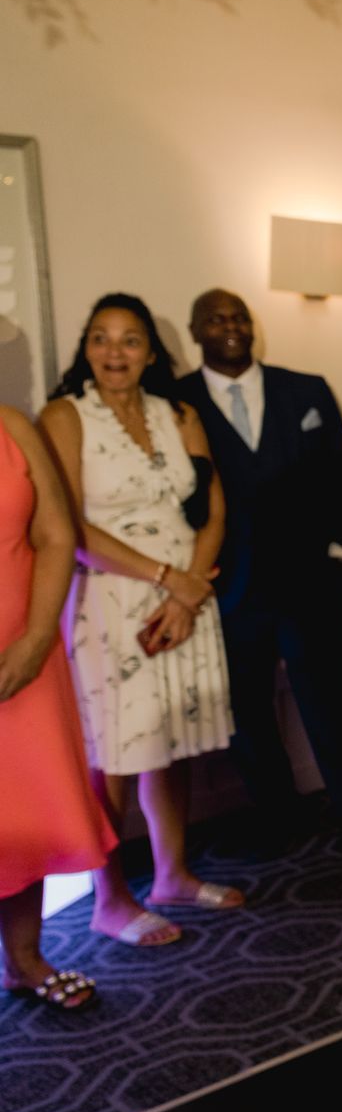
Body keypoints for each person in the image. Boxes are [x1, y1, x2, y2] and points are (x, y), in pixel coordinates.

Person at [173, 289, 342, 863]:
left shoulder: (306, 389)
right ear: (195, 331)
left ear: (253, 327)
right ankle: (276, 819)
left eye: (238, 317)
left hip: (310, 583)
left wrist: (340, 552)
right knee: (247, 713)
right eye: (215, 319)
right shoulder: (177, 403)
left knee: (329, 704)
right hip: (230, 588)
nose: (230, 326)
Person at [41, 294, 241, 942]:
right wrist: (164, 581)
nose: (114, 352)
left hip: (184, 600)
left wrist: (187, 594)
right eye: (100, 338)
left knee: (168, 745)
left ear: (151, 353)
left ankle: (172, 875)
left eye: (129, 340)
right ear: (86, 349)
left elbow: (212, 505)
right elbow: (69, 528)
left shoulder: (176, 413)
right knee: (117, 755)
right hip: (115, 601)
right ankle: (109, 898)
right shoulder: (65, 416)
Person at [0, 405, 114, 1008]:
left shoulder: (12, 427)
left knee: (24, 814)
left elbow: (55, 534)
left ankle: (23, 959)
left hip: (26, 653)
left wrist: (38, 638)